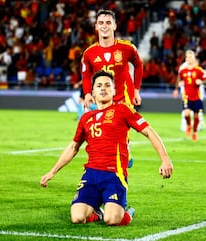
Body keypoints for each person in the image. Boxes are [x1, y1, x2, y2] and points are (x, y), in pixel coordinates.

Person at [40, 70, 173, 226]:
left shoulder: (123, 110)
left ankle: (126, 213)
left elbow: (149, 132)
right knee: (77, 218)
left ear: (114, 91)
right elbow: (73, 147)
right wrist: (53, 171)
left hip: (114, 175)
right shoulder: (85, 118)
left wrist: (165, 159)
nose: (103, 88)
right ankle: (97, 212)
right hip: (91, 175)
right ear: (93, 91)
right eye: (99, 85)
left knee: (112, 219)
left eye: (107, 85)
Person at [81, 9, 144, 167]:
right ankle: (108, 160)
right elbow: (86, 74)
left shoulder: (127, 48)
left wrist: (136, 89)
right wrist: (88, 94)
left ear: (115, 26)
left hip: (124, 95)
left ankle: (122, 154)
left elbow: (139, 65)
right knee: (105, 129)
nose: (104, 26)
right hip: (103, 97)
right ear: (96, 26)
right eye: (101, 23)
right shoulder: (89, 53)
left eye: (108, 23)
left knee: (120, 127)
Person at [173, 50, 206, 141]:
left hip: (197, 97)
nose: (189, 58)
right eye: (187, 57)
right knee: (186, 113)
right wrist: (177, 88)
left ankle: (194, 132)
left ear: (194, 58)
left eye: (191, 57)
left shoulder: (199, 70)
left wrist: (202, 83)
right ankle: (188, 126)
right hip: (186, 96)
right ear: (186, 58)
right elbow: (179, 80)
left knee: (196, 116)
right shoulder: (182, 71)